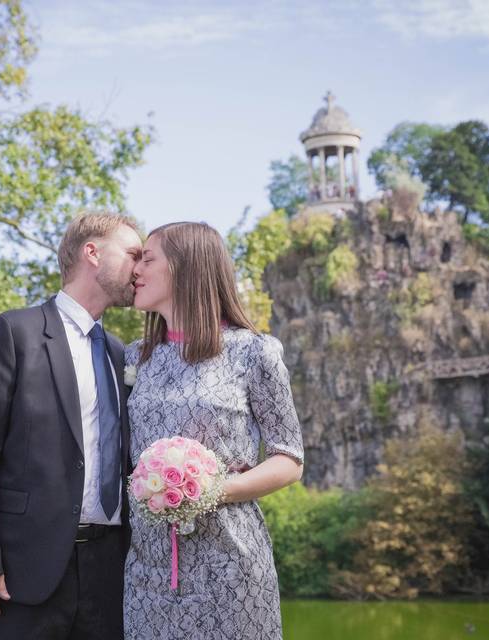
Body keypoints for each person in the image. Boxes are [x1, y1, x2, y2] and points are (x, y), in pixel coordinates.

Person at [0, 212, 143, 639]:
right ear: (92, 252)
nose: (139, 267)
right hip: (23, 572)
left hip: (110, 573)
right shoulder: (12, 332)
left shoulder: (121, 355)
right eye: (132, 253)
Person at [124, 222, 304, 639]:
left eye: (148, 260)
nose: (136, 271)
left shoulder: (254, 352)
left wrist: (208, 491)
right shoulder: (134, 358)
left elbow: (288, 459)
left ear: (186, 268)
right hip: (146, 570)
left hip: (231, 564)